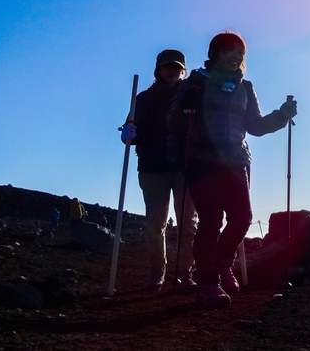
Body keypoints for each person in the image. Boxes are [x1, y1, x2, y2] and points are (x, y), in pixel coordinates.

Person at [168, 31, 297, 308]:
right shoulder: (194, 83)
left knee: (242, 217)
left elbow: (256, 126)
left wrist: (282, 115)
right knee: (211, 221)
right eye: (230, 50)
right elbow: (173, 121)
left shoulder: (245, 87)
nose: (237, 56)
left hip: (236, 160)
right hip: (201, 160)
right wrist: (185, 109)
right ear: (214, 53)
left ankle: (221, 266)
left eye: (241, 52)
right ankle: (207, 284)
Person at [121, 49, 199, 291]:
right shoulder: (143, 98)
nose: (171, 70)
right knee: (156, 223)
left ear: (183, 69)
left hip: (186, 163)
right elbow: (131, 132)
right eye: (167, 66)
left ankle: (185, 272)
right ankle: (157, 272)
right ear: (158, 69)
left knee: (188, 223)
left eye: (176, 66)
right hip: (152, 164)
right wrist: (128, 133)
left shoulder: (194, 95)